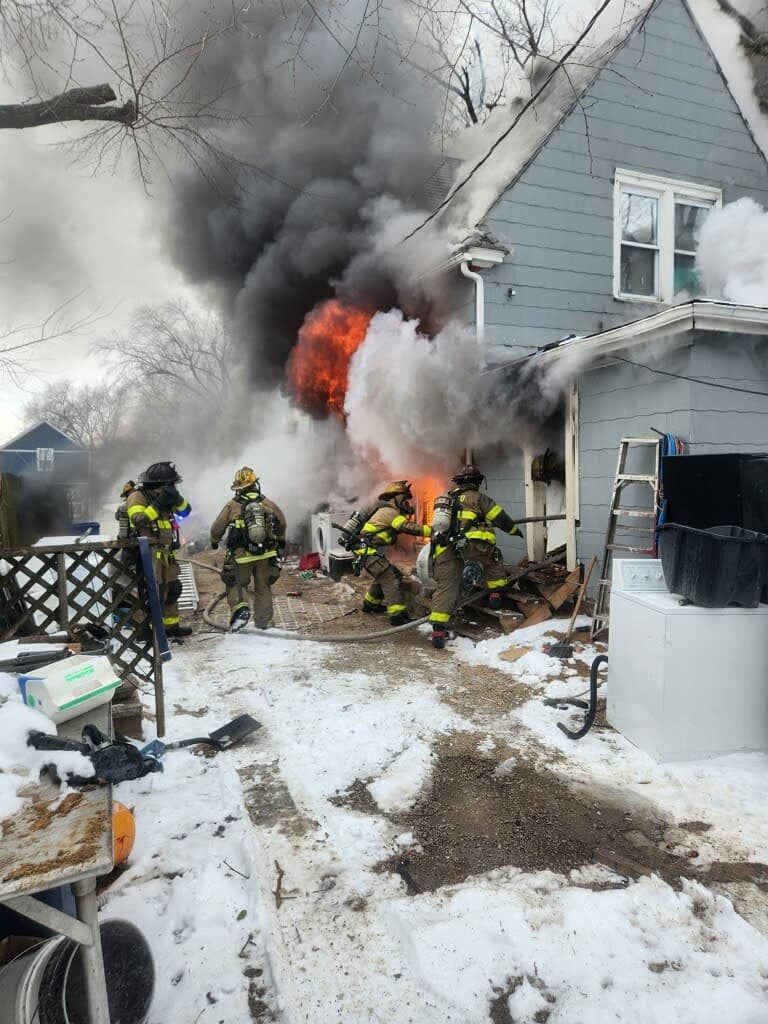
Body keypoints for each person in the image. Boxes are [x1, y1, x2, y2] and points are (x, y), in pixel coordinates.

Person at [427, 464, 523, 649]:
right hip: (473, 544)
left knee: (447, 586)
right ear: (476, 483)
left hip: (446, 547)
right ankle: (495, 594)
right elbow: (500, 518)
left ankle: (438, 631)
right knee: (494, 559)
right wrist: (514, 531)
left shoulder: (448, 499)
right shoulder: (478, 497)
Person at [210, 467, 287, 632]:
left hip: (241, 556)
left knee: (235, 583)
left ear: (239, 488)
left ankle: (241, 609)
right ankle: (264, 622)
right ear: (255, 484)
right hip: (266, 555)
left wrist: (214, 541)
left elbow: (217, 527)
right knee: (263, 587)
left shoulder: (232, 505)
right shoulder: (267, 503)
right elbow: (282, 523)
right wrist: (281, 540)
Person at [124, 463, 192, 638]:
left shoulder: (167, 495)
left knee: (172, 589)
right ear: (161, 483)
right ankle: (148, 629)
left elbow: (185, 512)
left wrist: (177, 499)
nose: (173, 487)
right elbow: (138, 520)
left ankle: (171, 627)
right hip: (148, 553)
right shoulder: (137, 496)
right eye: (171, 484)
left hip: (167, 553)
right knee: (151, 592)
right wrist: (158, 505)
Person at [352, 480, 431, 626]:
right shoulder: (389, 512)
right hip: (367, 551)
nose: (406, 502)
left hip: (365, 551)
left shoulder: (388, 511)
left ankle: (370, 605)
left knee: (384, 574)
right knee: (391, 577)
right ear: (395, 497)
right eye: (403, 498)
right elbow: (405, 526)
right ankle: (397, 616)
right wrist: (431, 531)